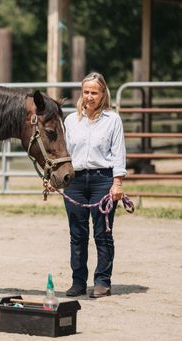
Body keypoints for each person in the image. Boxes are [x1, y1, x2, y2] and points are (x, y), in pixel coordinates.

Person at [61, 72, 126, 298]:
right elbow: (63, 153)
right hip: (76, 181)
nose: (89, 96)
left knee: (103, 233)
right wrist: (55, 179)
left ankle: (102, 281)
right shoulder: (70, 121)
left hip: (103, 180)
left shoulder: (113, 120)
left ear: (103, 94)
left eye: (94, 92)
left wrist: (117, 182)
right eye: (86, 92)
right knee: (77, 234)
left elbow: (118, 153)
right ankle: (78, 282)